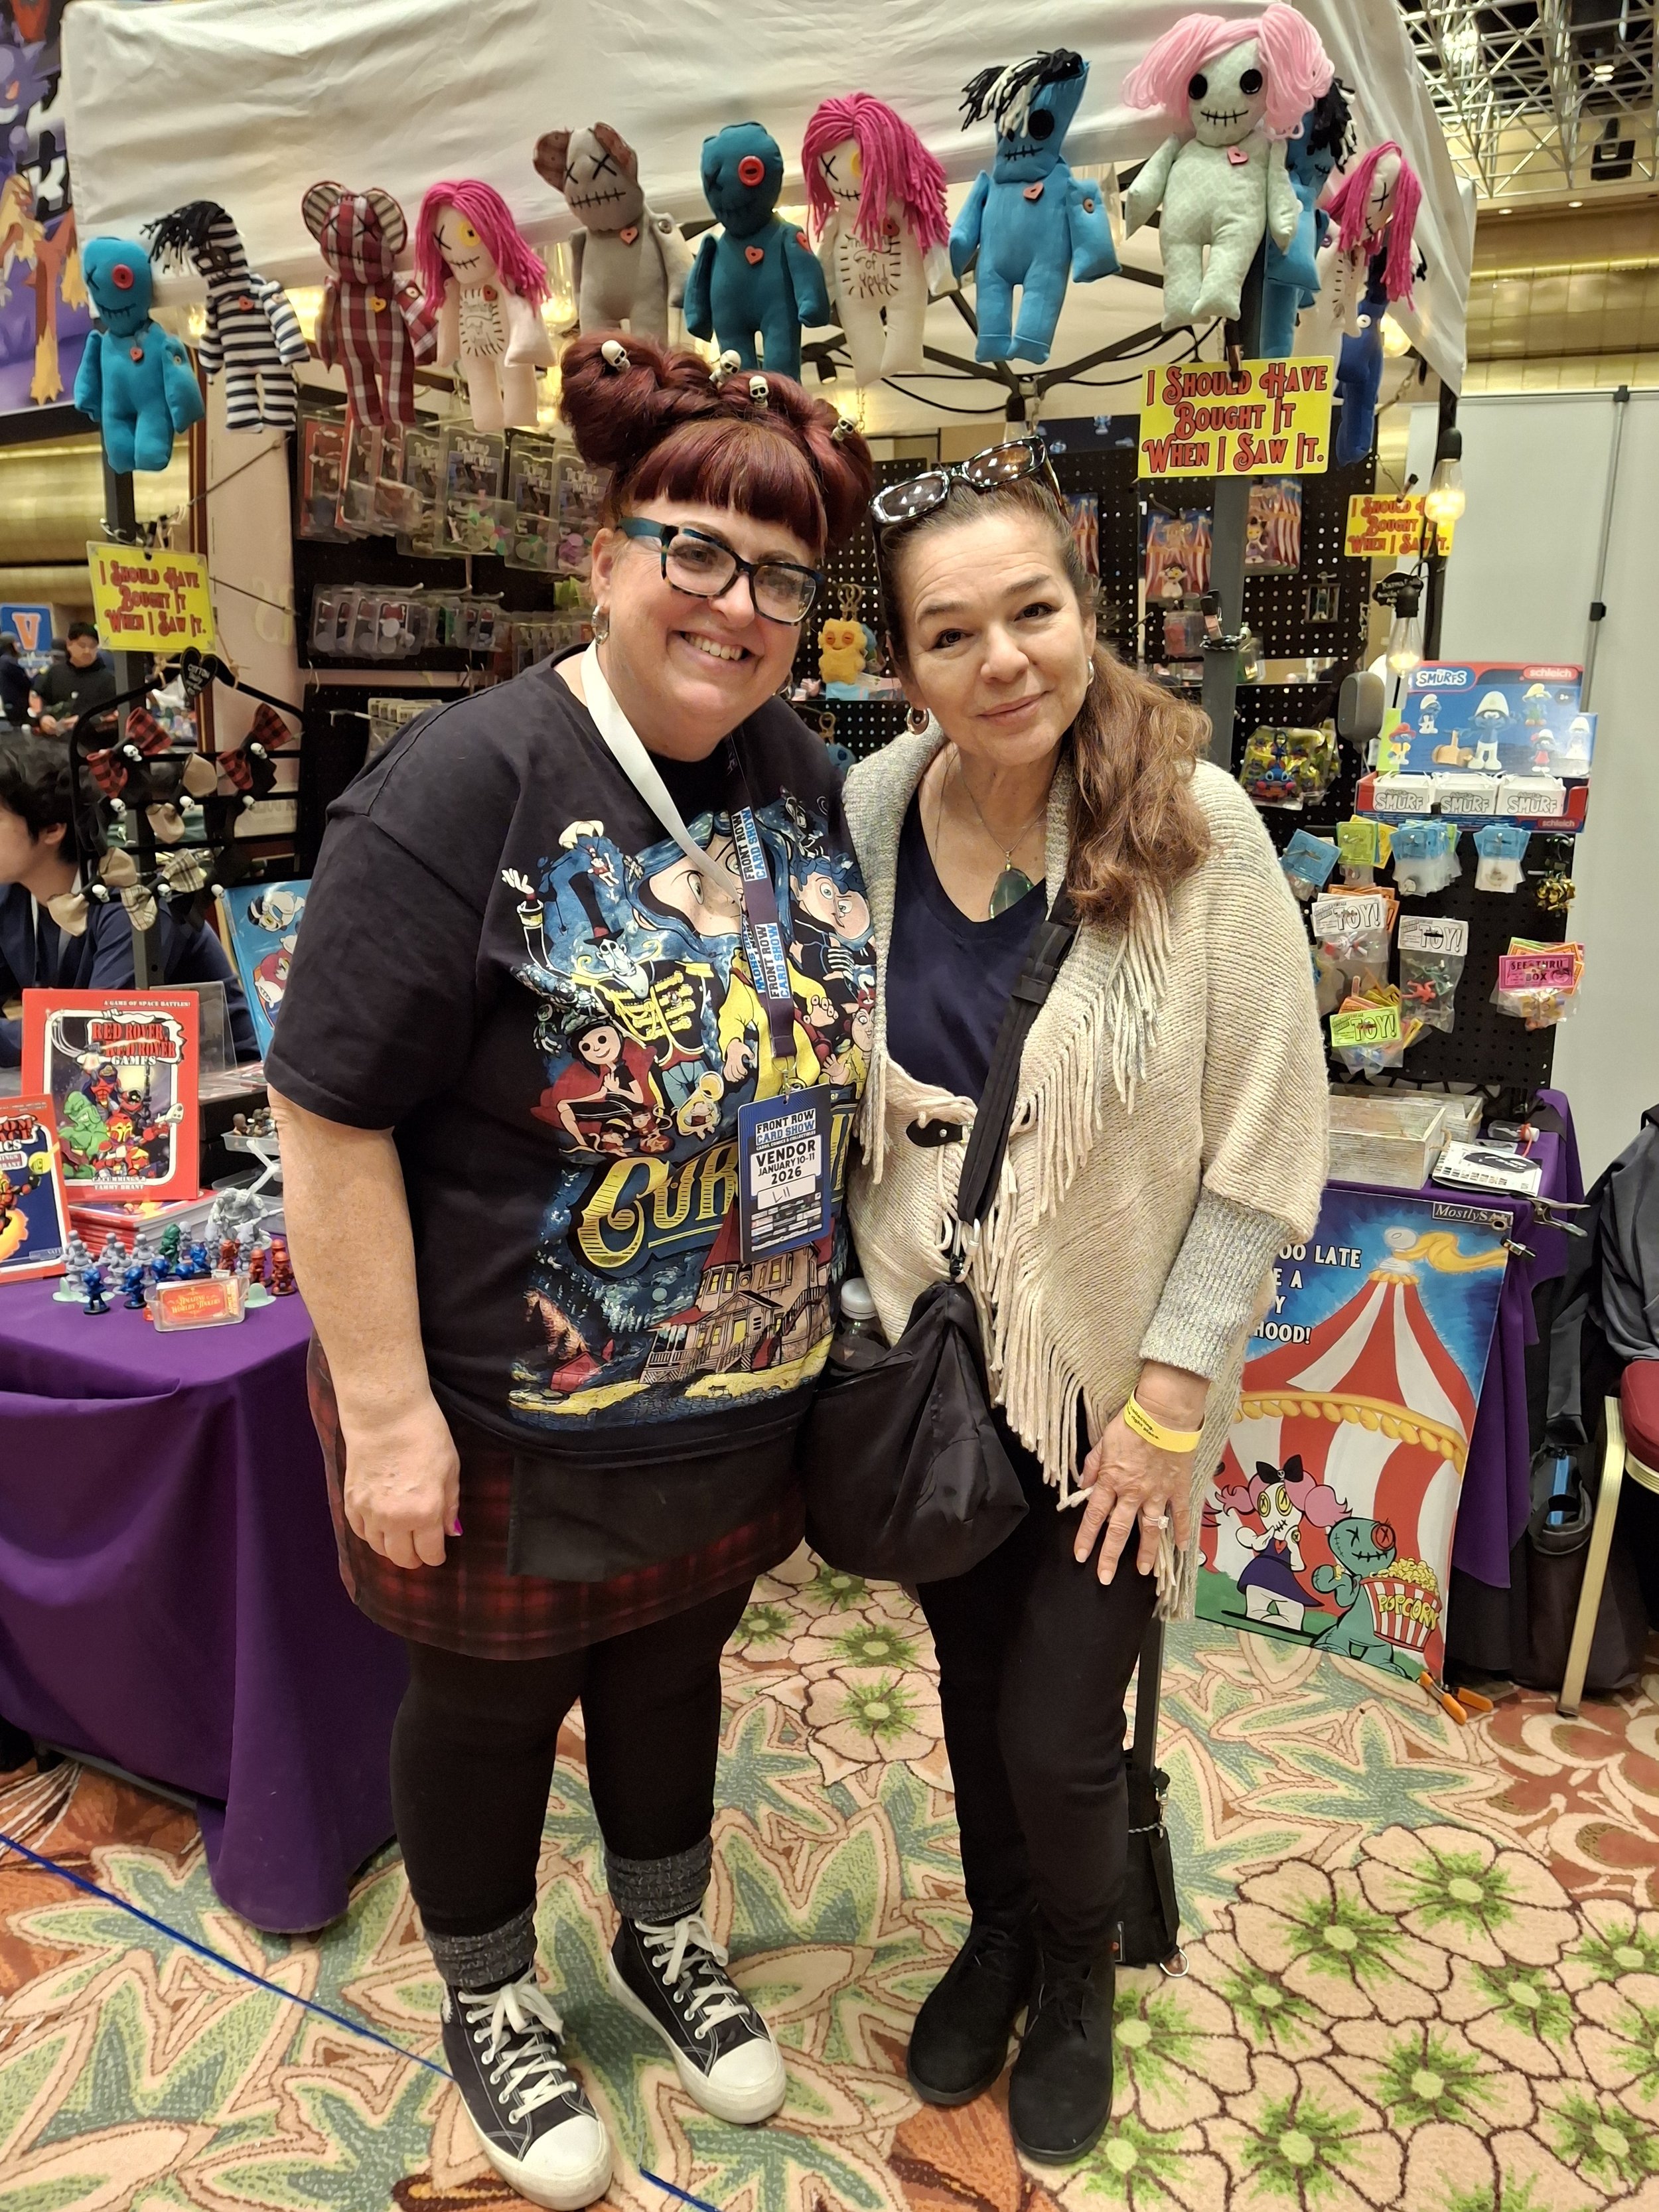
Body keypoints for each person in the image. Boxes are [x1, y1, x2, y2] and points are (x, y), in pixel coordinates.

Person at [265, 333, 875, 2212]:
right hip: (498, 1401)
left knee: (682, 1666)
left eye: (779, 576)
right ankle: (489, 1986)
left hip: (727, 1388)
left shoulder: (798, 773)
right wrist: (384, 1415)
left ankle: (663, 1933)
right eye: (693, 549)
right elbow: (327, 1112)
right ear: (602, 556)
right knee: (486, 1705)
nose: (736, 605)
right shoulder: (460, 790)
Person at [843, 441, 1327, 2166]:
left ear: (1084, 607)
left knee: (1061, 1728)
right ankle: (990, 1918)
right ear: (900, 661)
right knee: (974, 1690)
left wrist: (1170, 1399)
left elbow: (1268, 1141)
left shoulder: (1194, 822)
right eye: (950, 632)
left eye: (1030, 611)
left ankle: (1074, 1968)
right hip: (935, 1367)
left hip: (1115, 1377)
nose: (1002, 662)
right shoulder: (876, 808)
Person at [0, 731, 258, 1066]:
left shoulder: (138, 901)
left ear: (52, 829)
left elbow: (95, 1031)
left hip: (218, 1088)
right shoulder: (13, 896)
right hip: (111, 1081)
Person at [30, 623, 116, 741]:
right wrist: (43, 717)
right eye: (82, 645)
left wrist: (85, 722)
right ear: (69, 644)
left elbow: (116, 713)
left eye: (92, 646)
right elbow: (36, 695)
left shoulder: (109, 679)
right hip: (54, 744)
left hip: (93, 745)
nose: (87, 651)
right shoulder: (54, 672)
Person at [0, 638, 31, 731]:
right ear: (10, 645)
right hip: (17, 708)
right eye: (16, 643)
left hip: (8, 705)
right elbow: (26, 682)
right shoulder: (9, 662)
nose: (18, 645)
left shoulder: (3, 660)